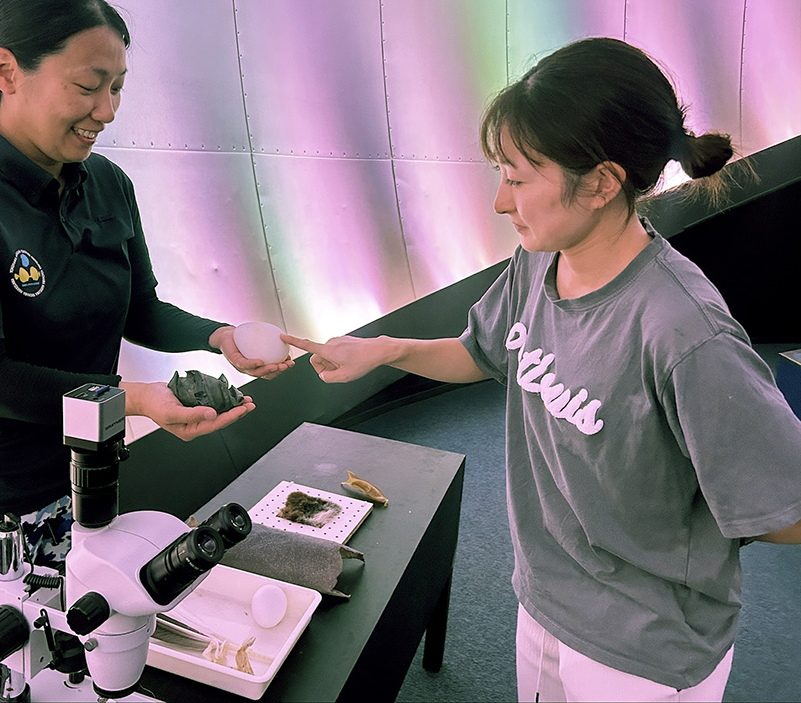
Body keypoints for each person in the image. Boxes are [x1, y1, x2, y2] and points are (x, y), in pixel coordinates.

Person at [285, 37, 801, 702]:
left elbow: (786, 508)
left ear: (602, 183)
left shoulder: (687, 334)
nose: (501, 202)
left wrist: (709, 514)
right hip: (545, 599)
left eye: (518, 178)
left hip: (646, 648)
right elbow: (483, 352)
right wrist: (386, 350)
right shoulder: (537, 261)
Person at [0, 0, 290, 702]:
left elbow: (141, 310)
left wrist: (221, 337)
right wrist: (139, 400)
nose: (108, 109)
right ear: (7, 71)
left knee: (57, 669)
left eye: (118, 87)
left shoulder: (108, 186)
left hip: (65, 489)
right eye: (89, 86)